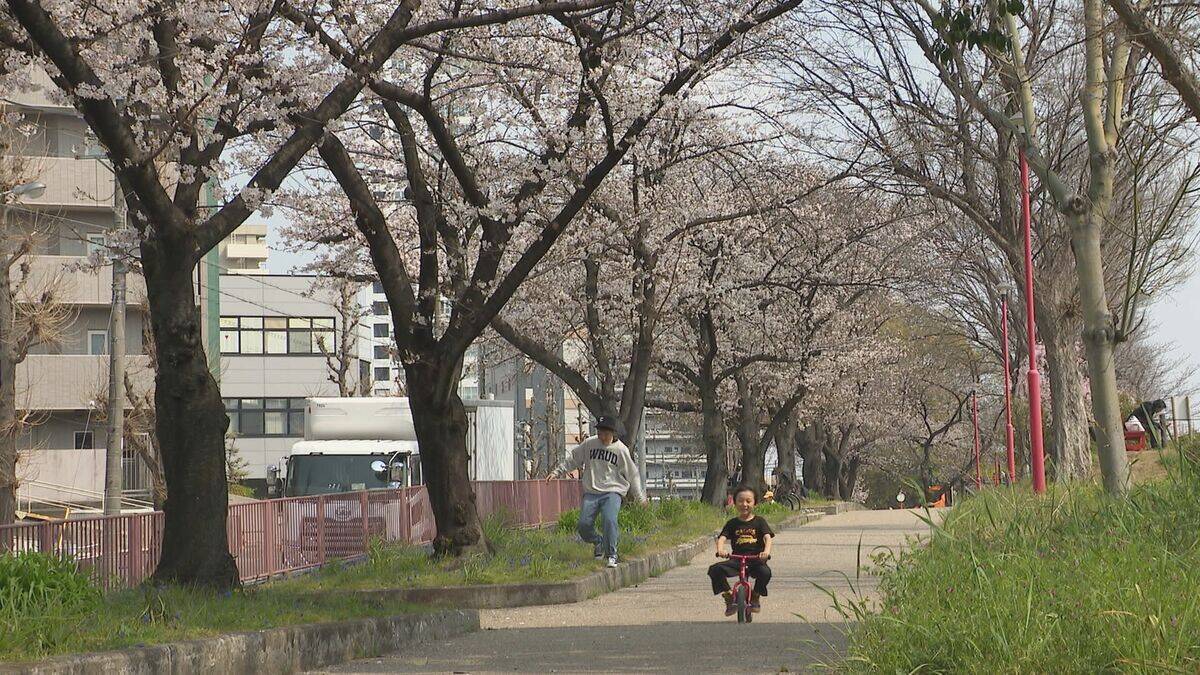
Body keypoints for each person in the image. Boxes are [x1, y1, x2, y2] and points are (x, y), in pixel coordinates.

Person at [548, 415, 645, 568]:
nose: (602, 437)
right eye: (600, 433)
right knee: (583, 525)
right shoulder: (590, 444)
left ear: (613, 433)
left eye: (606, 434)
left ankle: (611, 554)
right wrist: (557, 472)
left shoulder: (621, 450)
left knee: (609, 520)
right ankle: (598, 541)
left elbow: (632, 475)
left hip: (613, 491)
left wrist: (640, 498)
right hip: (592, 491)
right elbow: (574, 459)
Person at [708, 485, 774, 615]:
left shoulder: (760, 521)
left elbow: (768, 537)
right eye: (740, 501)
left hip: (755, 560)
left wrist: (766, 552)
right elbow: (722, 538)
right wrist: (721, 550)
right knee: (714, 570)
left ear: (754, 503)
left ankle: (755, 595)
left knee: (765, 572)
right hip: (737, 560)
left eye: (748, 501)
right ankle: (729, 596)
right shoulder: (732, 523)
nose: (744, 504)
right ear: (735, 502)